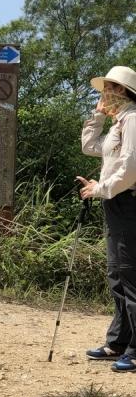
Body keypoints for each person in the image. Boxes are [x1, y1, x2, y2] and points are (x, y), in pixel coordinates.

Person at [78, 65, 136, 372]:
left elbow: (130, 168)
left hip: (127, 202)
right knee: (117, 275)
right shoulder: (118, 124)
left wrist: (101, 188)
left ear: (124, 92)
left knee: (130, 276)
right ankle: (118, 342)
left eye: (110, 89)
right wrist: (98, 115)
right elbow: (90, 146)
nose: (104, 94)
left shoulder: (134, 121)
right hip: (116, 203)